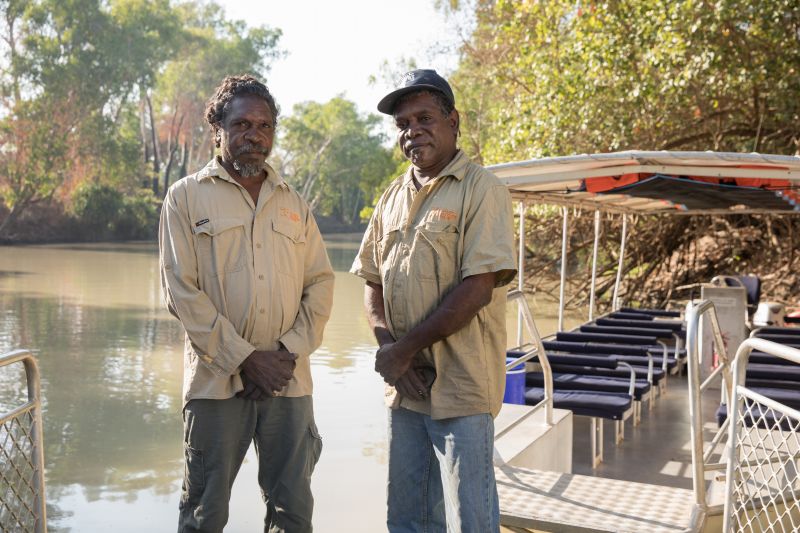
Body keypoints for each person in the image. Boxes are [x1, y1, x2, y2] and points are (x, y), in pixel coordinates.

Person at [159, 74, 335, 533]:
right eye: (241, 124)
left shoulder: (294, 203)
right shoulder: (185, 197)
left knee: (292, 513)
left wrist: (283, 355)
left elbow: (320, 283)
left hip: (288, 382)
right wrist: (245, 360)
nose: (254, 135)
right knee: (204, 515)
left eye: (264, 125)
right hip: (216, 383)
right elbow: (180, 291)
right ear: (217, 130)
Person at [350, 69, 517, 532]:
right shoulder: (391, 197)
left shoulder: (482, 189)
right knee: (408, 519)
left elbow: (477, 289)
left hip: (461, 387)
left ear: (453, 121)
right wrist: (390, 350)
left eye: (424, 118)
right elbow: (371, 281)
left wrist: (402, 352)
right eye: (403, 124)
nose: (412, 131)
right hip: (405, 390)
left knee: (471, 520)